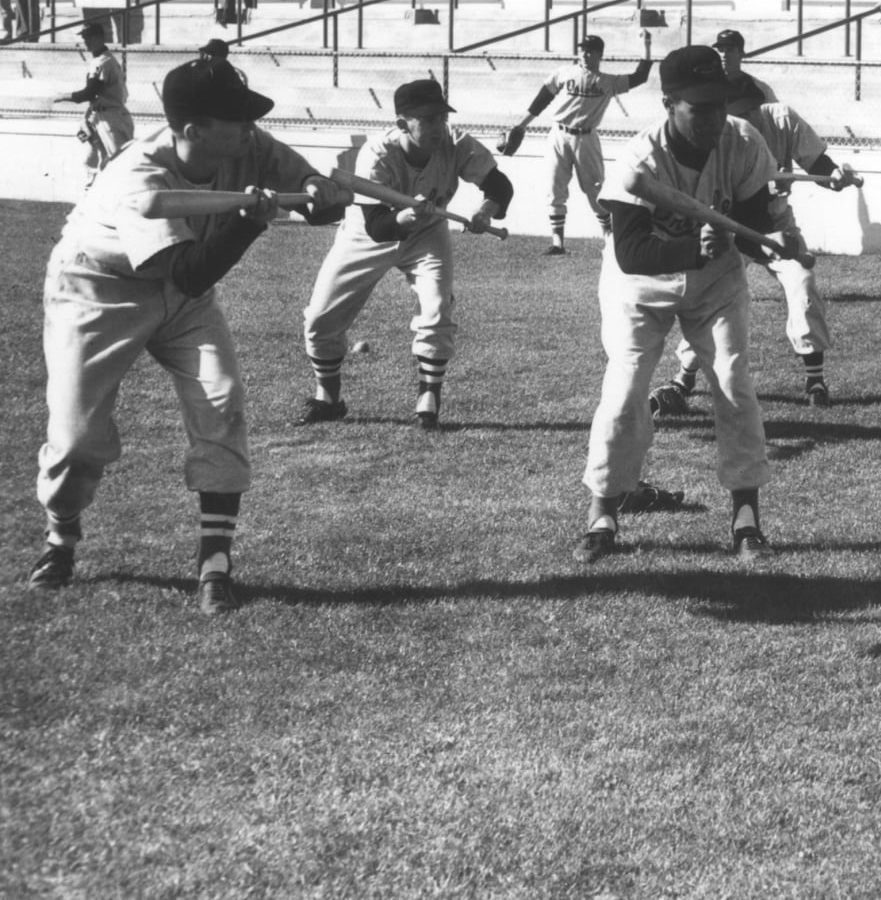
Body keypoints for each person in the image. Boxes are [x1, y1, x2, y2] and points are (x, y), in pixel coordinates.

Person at [26, 56, 350, 613]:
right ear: (194, 129)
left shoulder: (244, 142)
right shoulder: (140, 176)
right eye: (235, 117)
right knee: (78, 440)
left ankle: (215, 564)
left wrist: (319, 189)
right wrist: (250, 221)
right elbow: (191, 271)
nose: (248, 126)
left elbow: (304, 189)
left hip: (183, 294)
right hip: (99, 287)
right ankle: (61, 537)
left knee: (222, 401)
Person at [572, 45, 795, 565]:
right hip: (640, 288)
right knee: (626, 389)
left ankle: (746, 517)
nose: (715, 117)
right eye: (701, 107)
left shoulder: (742, 141)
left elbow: (749, 223)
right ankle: (602, 511)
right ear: (669, 103)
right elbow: (630, 253)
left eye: (721, 104)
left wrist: (776, 232)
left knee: (734, 381)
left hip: (715, 285)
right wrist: (692, 248)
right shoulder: (639, 158)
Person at [299, 79, 513, 431]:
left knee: (437, 306)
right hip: (366, 234)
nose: (437, 128)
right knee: (321, 316)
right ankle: (328, 398)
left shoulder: (455, 142)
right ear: (402, 124)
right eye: (426, 120)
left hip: (427, 234)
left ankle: (428, 398)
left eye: (440, 118)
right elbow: (378, 227)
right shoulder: (376, 153)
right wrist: (408, 215)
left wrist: (485, 212)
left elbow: (500, 186)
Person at [658, 61, 861, 409]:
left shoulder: (781, 119)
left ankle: (815, 380)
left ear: (759, 105)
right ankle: (684, 380)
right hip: (731, 226)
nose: (735, 121)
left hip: (776, 222)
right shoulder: (716, 135)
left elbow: (818, 165)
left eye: (743, 111)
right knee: (711, 297)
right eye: (728, 112)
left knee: (803, 282)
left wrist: (836, 178)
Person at [501, 33, 654, 255]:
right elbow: (541, 100)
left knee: (595, 190)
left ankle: (610, 239)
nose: (584, 53)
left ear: (600, 54)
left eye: (590, 50)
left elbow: (640, 77)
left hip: (587, 138)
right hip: (559, 134)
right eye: (582, 49)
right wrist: (522, 125)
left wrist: (646, 45)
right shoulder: (564, 73)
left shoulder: (608, 81)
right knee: (554, 187)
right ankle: (557, 243)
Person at [58, 19, 132, 183]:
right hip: (101, 117)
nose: (86, 41)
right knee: (93, 160)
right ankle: (92, 195)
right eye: (84, 37)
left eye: (89, 37)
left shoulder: (103, 61)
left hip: (111, 119)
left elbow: (90, 92)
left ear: (100, 37)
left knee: (117, 163)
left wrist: (65, 96)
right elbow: (94, 95)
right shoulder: (102, 59)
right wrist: (87, 118)